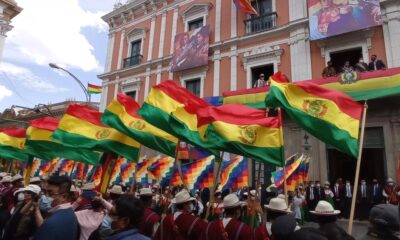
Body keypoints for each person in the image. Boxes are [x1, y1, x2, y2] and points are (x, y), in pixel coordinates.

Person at [33, 176, 78, 240]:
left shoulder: (52, 222)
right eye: (45, 192)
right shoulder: (70, 212)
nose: (45, 196)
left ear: (64, 197)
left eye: (50, 193)